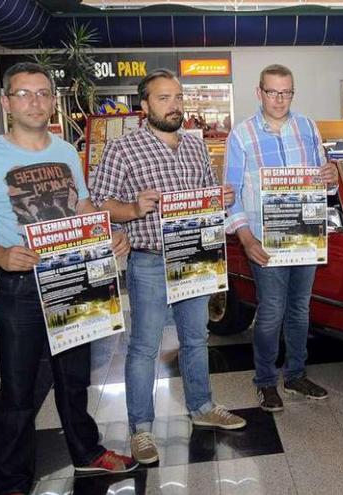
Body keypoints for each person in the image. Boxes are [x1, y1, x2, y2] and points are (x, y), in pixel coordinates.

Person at [0, 62, 137, 495]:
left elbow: (83, 205)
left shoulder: (65, 152)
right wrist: (0, 254)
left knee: (75, 380)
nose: (34, 101)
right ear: (6, 102)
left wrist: (108, 230)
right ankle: (14, 482)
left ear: (52, 100)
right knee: (18, 393)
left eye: (42, 93)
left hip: (73, 280)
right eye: (23, 94)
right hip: (20, 289)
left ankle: (87, 453)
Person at [90, 69, 246, 466]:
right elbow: (99, 203)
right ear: (145, 106)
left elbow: (203, 200)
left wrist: (220, 197)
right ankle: (141, 428)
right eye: (164, 98)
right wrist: (132, 208)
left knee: (195, 339)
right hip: (149, 260)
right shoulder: (123, 149)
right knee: (144, 347)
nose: (174, 104)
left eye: (178, 97)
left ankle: (202, 407)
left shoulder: (195, 147)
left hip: (194, 255)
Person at [224, 64, 339, 412]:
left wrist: (332, 176)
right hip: (265, 241)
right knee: (271, 312)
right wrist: (246, 238)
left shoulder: (307, 128)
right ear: (259, 93)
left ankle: (295, 375)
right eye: (273, 92)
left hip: (305, 237)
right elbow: (231, 195)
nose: (279, 99)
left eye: (286, 92)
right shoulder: (241, 135)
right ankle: (264, 380)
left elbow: (326, 183)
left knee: (300, 311)